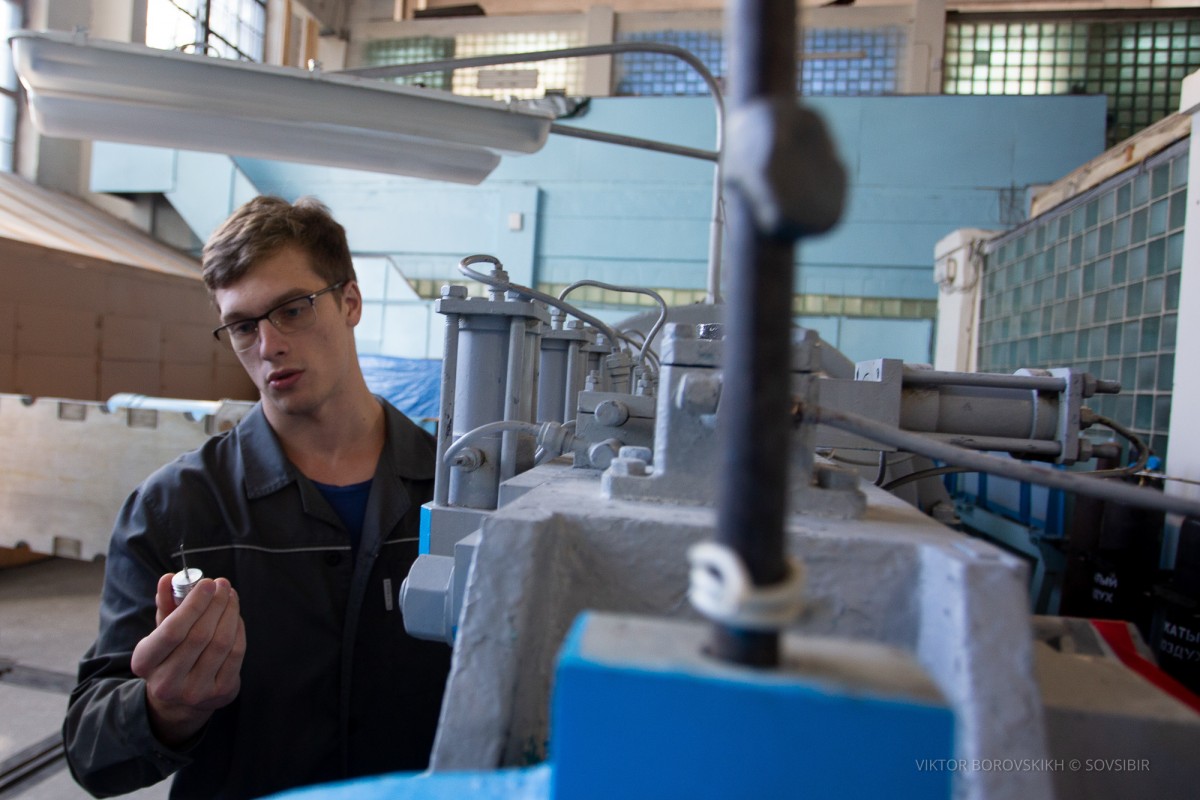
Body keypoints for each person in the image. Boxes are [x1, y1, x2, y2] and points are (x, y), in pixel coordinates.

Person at [63, 196, 451, 799]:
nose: (268, 345)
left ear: (350, 302)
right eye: (243, 326)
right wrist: (166, 709)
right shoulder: (175, 509)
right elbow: (92, 752)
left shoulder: (458, 493)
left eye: (292, 310)